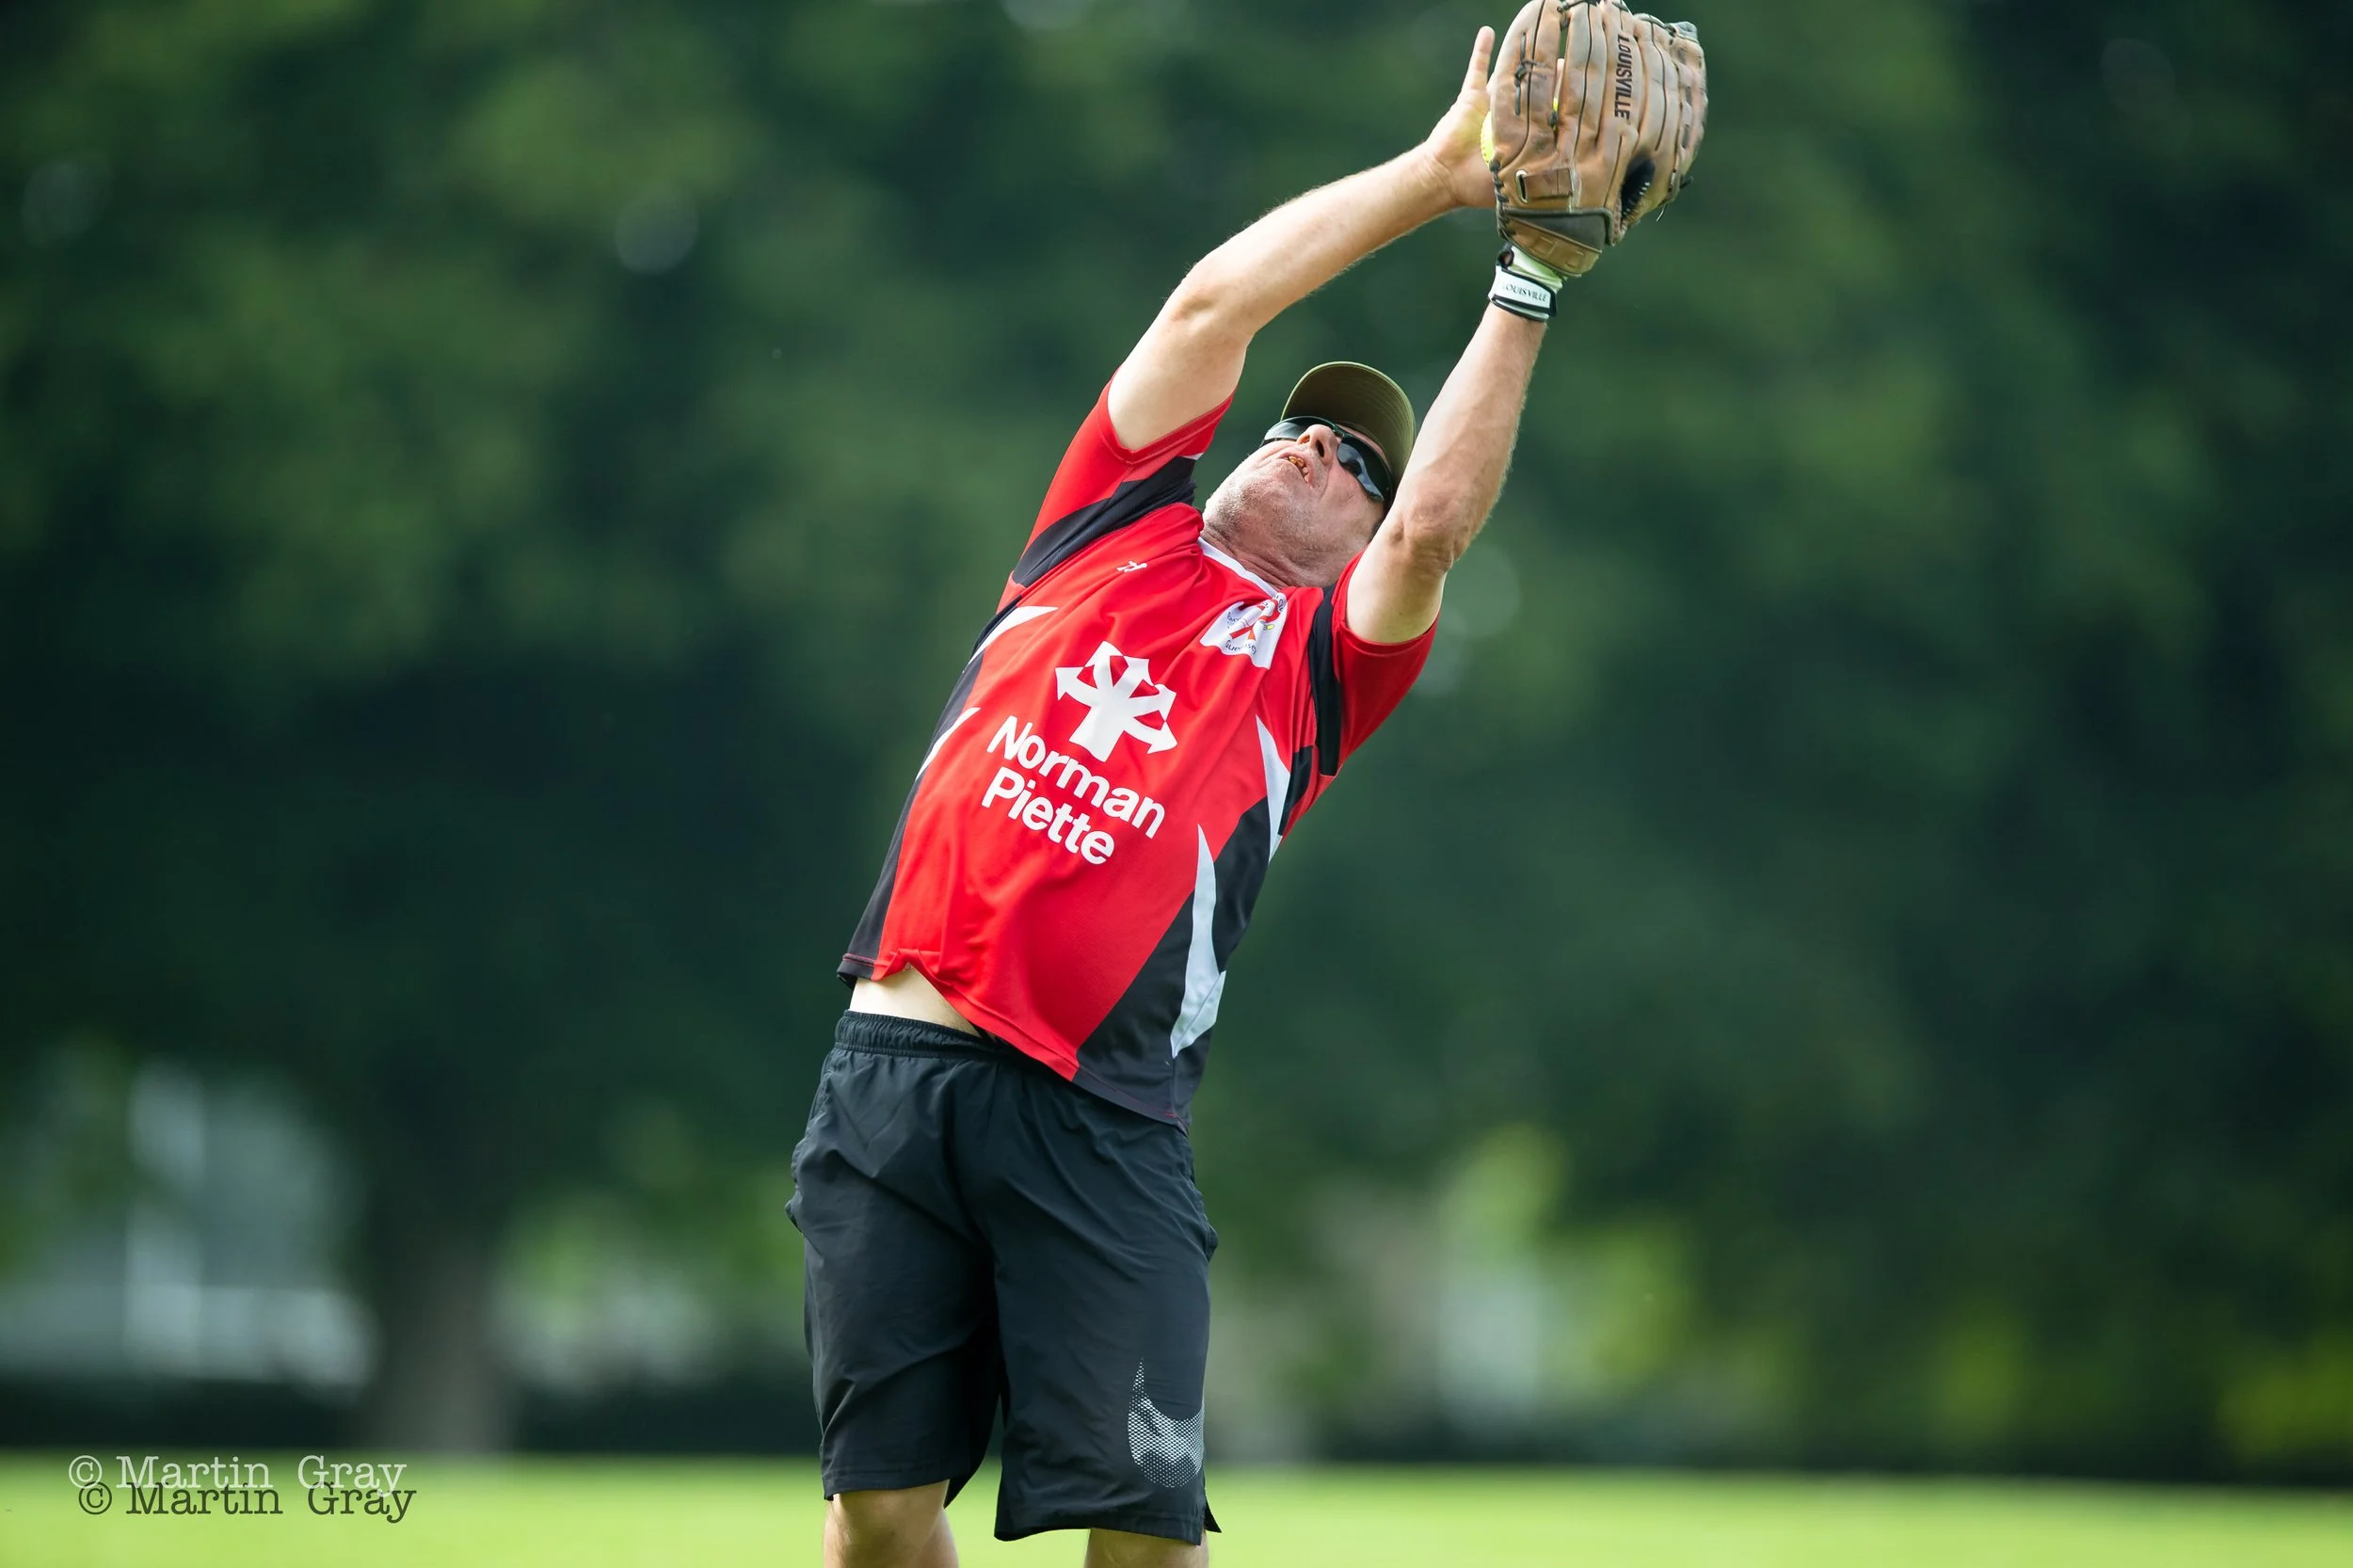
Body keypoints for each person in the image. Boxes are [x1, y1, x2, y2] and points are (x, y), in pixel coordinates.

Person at [792, 24, 1562, 1567]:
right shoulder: (1104, 526)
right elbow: (1214, 304)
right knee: (875, 1521)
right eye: (1302, 427)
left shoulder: (1318, 670)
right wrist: (1435, 176)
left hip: (1101, 1120)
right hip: (897, 1068)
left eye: (1356, 465)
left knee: (1144, 1536)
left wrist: (1528, 277)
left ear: (1361, 541)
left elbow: (1434, 532)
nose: (1314, 446)